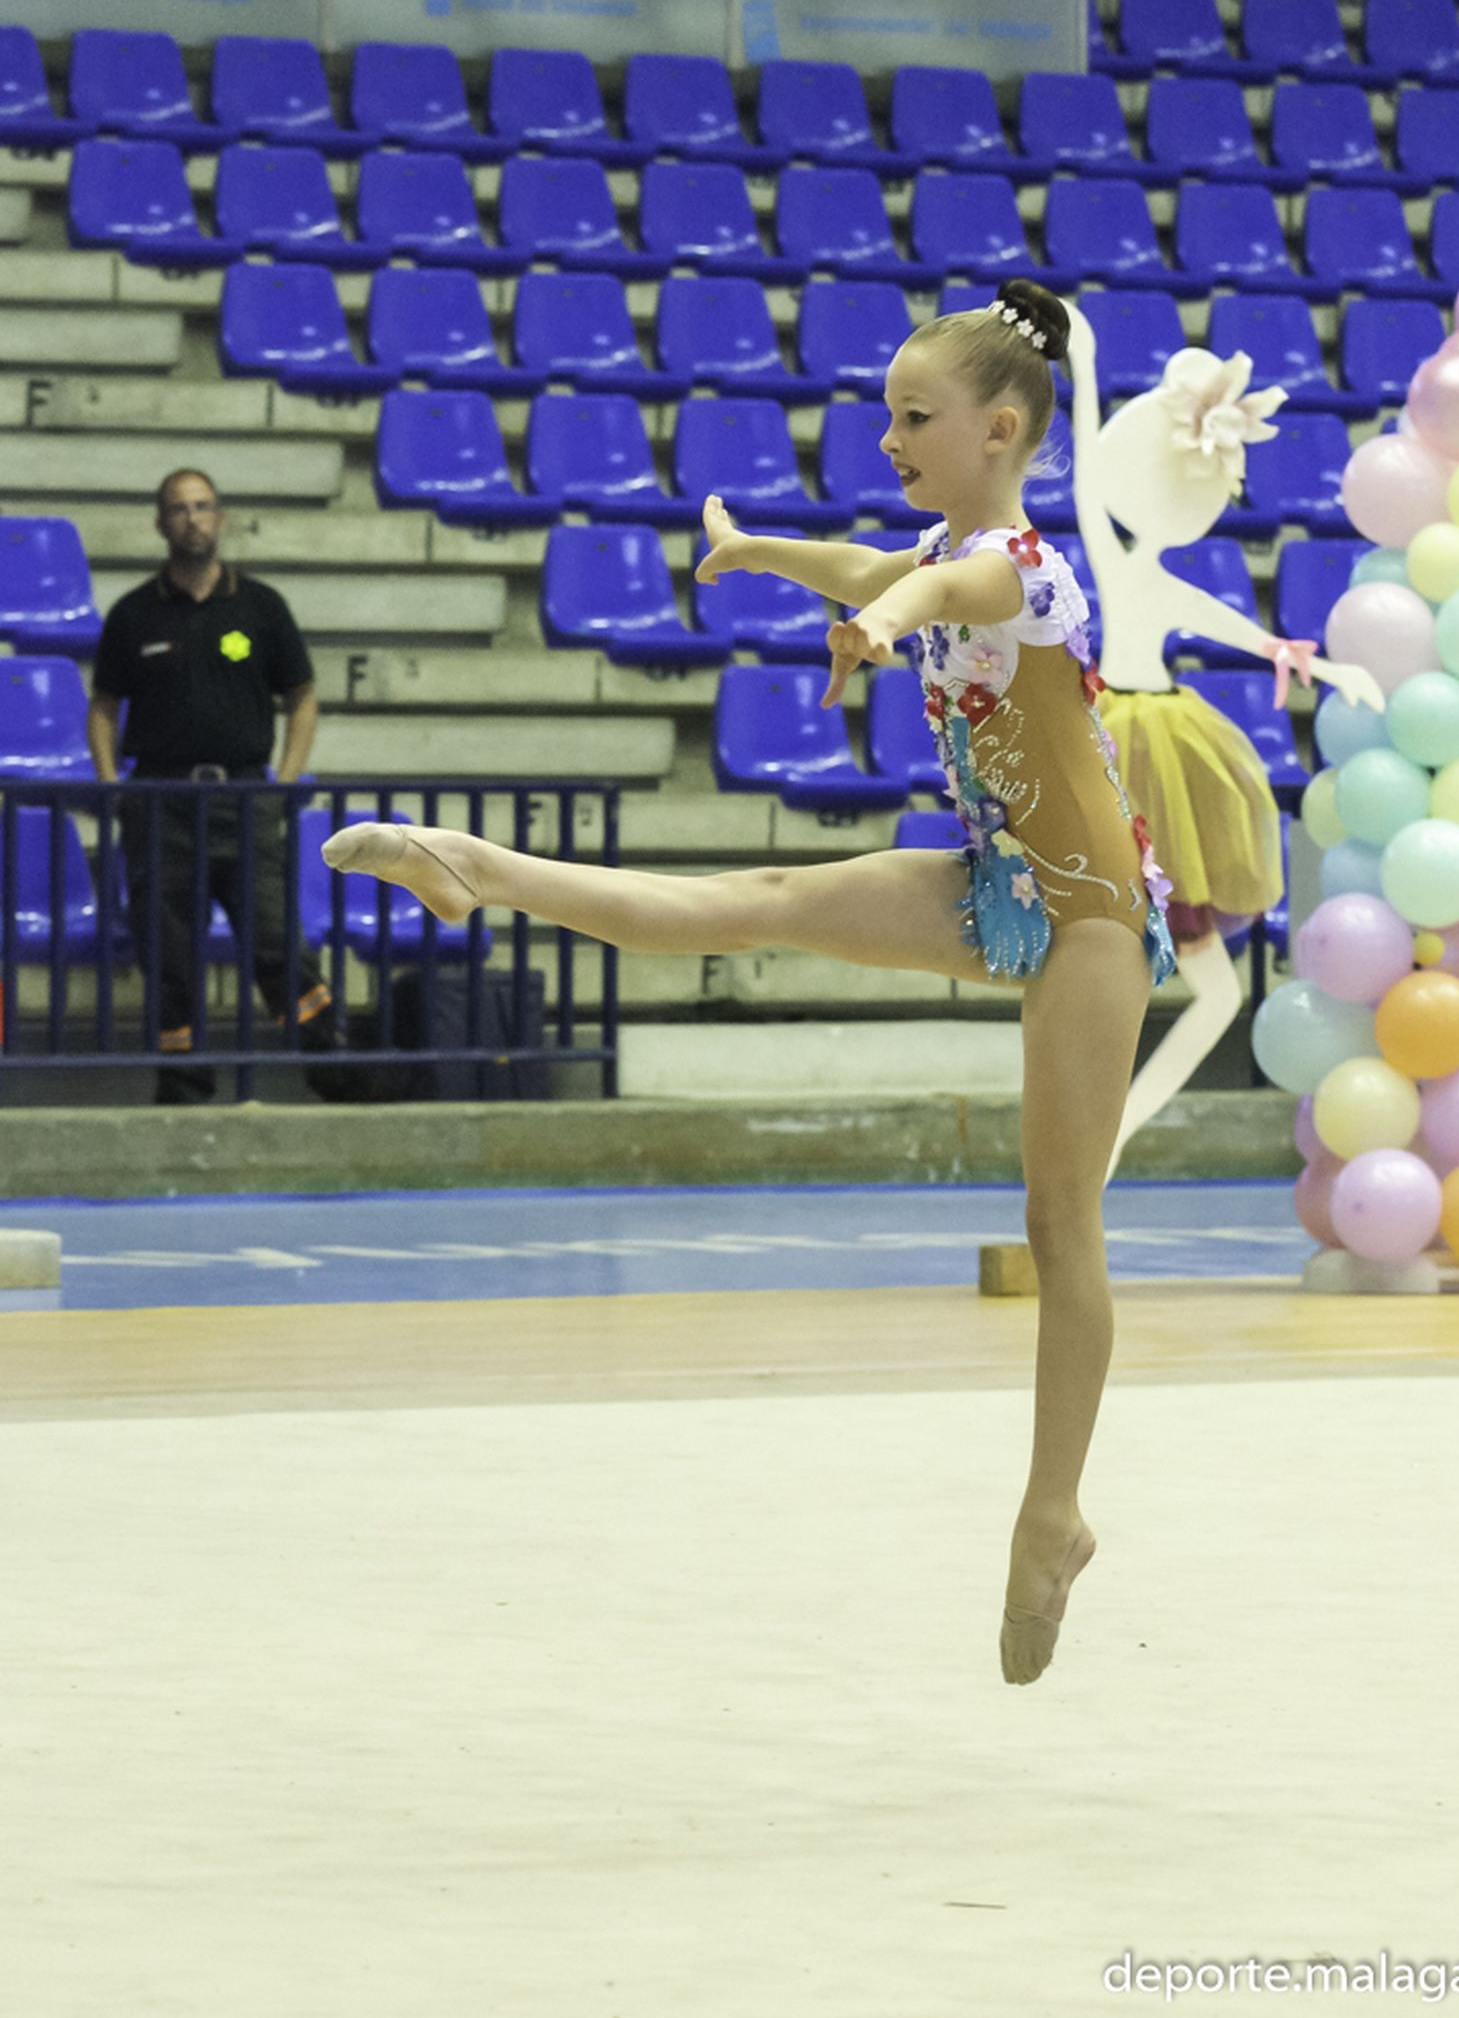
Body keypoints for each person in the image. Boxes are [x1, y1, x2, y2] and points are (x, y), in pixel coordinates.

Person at [323, 277, 1176, 1689]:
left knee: (1059, 1223)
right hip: (996, 880)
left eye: (916, 416)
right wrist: (760, 551)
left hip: (1087, 916)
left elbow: (929, 590)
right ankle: (476, 867)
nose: (890, 433)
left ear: (1002, 428)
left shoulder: (1023, 566)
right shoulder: (946, 540)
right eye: (888, 413)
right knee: (763, 900)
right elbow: (879, 565)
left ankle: (1054, 1510)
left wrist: (885, 624)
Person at [1064, 323, 1381, 1182]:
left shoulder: (1157, 580)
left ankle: (1110, 1129)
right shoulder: (1137, 570)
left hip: (1154, 741)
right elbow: (1091, 483)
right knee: (1150, 973)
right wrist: (1084, 362)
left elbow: (1254, 636)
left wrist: (1326, 664)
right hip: (1131, 748)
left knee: (1205, 987)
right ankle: (1099, 1127)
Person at [88, 467, 335, 1104]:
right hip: (160, 803)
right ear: (159, 523)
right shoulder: (133, 614)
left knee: (276, 939)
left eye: (202, 507)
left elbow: (302, 696)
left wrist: (283, 782)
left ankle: (333, 1068)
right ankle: (182, 1082)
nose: (192, 519)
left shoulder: (261, 606)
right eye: (178, 509)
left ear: (220, 518)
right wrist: (115, 784)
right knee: (167, 956)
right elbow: (103, 707)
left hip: (246, 800)